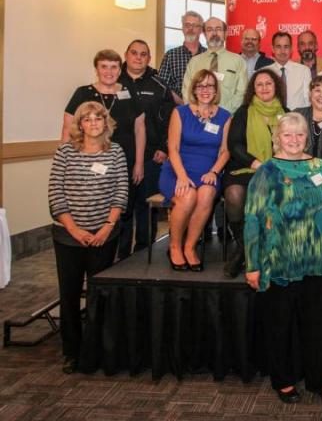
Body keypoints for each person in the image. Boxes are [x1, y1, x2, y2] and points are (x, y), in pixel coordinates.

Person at [244, 112, 322, 406]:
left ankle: (319, 380)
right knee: (280, 324)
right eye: (287, 135)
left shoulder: (321, 167)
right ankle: (283, 380)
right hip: (278, 261)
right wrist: (252, 264)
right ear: (278, 138)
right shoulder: (267, 171)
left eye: (300, 135)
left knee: (315, 324)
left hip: (314, 259)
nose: (294, 140)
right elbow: (252, 218)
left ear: (306, 137)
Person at [48, 102, 129, 374]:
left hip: (104, 235)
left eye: (99, 118)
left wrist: (107, 227)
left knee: (99, 294)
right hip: (68, 237)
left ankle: (96, 350)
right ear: (79, 124)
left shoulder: (115, 152)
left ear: (106, 123)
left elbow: (121, 191)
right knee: (69, 295)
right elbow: (56, 195)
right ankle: (72, 351)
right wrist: (75, 230)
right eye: (88, 119)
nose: (93, 123)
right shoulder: (64, 152)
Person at [61, 49, 146, 261]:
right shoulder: (83, 93)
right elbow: (67, 128)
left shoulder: (129, 92)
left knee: (122, 211)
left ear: (120, 68)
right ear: (97, 69)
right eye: (104, 66)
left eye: (114, 66)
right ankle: (89, 256)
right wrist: (64, 161)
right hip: (85, 165)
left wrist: (138, 163)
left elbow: (140, 128)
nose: (109, 71)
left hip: (121, 162)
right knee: (91, 210)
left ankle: (120, 260)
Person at [159, 69, 231, 271]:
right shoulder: (180, 112)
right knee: (188, 196)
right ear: (194, 89)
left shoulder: (225, 116)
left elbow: (225, 151)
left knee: (207, 193)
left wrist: (214, 172)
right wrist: (181, 176)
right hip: (177, 169)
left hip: (208, 171)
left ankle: (190, 247)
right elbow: (172, 148)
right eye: (201, 85)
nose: (205, 90)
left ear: (216, 90)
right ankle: (175, 246)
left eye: (210, 85)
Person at [221, 68, 286, 278]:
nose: (264, 88)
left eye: (268, 83)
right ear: (253, 89)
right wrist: (256, 162)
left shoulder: (286, 112)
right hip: (244, 166)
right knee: (234, 194)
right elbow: (234, 143)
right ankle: (243, 246)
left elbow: (293, 143)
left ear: (276, 86)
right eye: (259, 84)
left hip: (275, 169)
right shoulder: (244, 111)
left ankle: (263, 248)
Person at [119, 40, 175, 256]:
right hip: (121, 155)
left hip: (153, 155)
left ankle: (143, 251)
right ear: (126, 55)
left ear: (149, 58)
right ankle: (122, 254)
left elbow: (172, 119)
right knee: (122, 206)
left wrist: (164, 148)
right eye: (134, 53)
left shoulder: (158, 84)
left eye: (143, 54)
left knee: (145, 207)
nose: (138, 58)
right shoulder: (115, 82)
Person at [182, 17, 247, 114]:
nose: (214, 33)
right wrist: (197, 112)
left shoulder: (238, 61)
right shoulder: (194, 62)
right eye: (209, 30)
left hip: (228, 118)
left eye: (218, 29)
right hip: (198, 117)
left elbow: (241, 92)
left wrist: (222, 114)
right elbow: (187, 91)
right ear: (204, 34)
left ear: (225, 34)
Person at [159, 10, 206, 105]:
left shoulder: (208, 55)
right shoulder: (170, 55)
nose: (190, 29)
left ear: (201, 30)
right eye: (187, 25)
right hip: (177, 110)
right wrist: (184, 104)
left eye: (195, 26)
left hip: (205, 110)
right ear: (182, 28)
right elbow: (162, 86)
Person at [266, 32, 312, 110]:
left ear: (291, 49)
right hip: (271, 118)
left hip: (297, 118)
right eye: (278, 47)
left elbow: (308, 100)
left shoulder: (304, 71)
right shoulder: (264, 72)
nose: (282, 51)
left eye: (286, 47)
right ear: (273, 49)